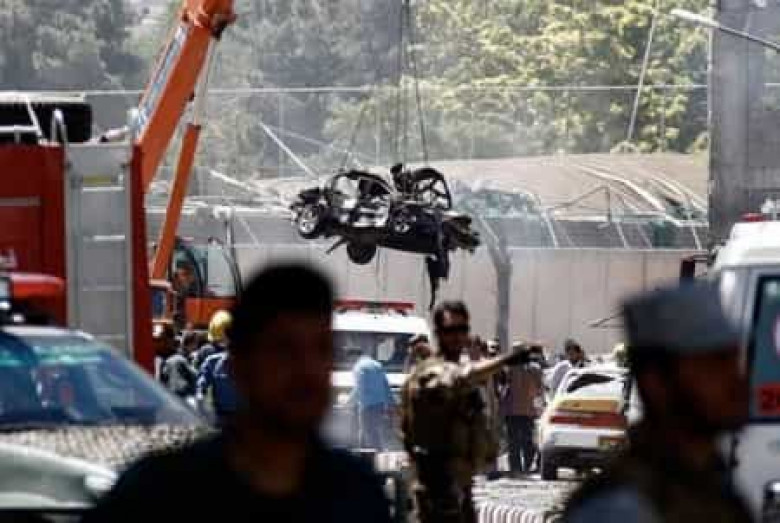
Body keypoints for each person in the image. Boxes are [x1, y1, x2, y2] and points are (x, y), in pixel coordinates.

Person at [83, 264, 392, 523]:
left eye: (320, 349)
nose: (306, 369)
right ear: (240, 365)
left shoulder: (355, 492)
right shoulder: (162, 492)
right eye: (285, 350)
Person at [564, 283, 752, 523]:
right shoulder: (622, 508)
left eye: (735, 362)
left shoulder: (707, 482)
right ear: (657, 383)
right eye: (714, 366)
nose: (736, 380)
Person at [401, 301, 529, 523]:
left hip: (460, 486)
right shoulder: (428, 373)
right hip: (436, 486)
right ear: (438, 333)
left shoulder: (459, 372)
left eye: (462, 330)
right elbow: (456, 378)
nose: (457, 337)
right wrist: (507, 359)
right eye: (450, 330)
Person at [503, 341, 545, 475]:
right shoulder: (508, 369)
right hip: (515, 411)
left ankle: (523, 466)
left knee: (524, 441)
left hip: (524, 410)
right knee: (516, 442)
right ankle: (518, 467)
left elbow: (540, 389)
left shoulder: (533, 368)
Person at [349, 350, 395, 450]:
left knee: (368, 430)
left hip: (367, 403)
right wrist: (391, 402)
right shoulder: (377, 365)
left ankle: (377, 450)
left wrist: (349, 402)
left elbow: (359, 386)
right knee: (371, 429)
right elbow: (386, 385)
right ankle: (365, 450)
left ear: (354, 357)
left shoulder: (359, 367)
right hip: (380, 403)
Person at [158, 325, 197, 399]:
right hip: (182, 397)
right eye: (195, 344)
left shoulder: (166, 360)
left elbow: (162, 379)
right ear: (191, 344)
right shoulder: (182, 359)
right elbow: (194, 376)